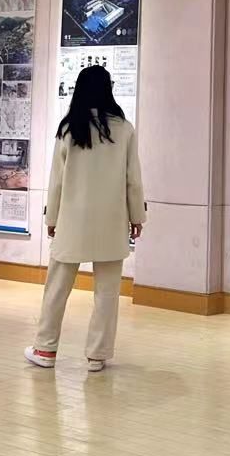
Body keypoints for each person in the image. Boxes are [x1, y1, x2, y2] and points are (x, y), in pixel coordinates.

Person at [25, 65, 145, 373]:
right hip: (111, 221)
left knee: (56, 288)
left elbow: (57, 181)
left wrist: (52, 217)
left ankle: (45, 348)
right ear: (108, 89)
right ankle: (97, 355)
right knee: (107, 293)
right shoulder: (124, 129)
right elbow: (133, 179)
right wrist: (137, 216)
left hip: (72, 221)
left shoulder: (69, 128)